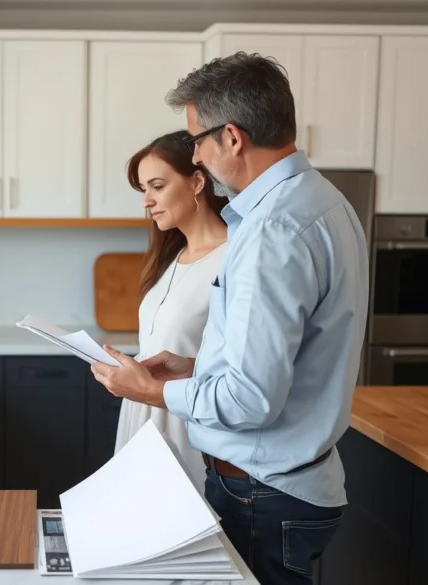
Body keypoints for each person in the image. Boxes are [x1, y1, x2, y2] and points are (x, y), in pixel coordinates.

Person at [90, 51, 369, 585]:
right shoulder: (325, 202)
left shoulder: (271, 231)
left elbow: (249, 399)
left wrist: (153, 392)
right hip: (292, 485)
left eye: (198, 140)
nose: (195, 154)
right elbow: (281, 363)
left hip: (261, 493)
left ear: (232, 138)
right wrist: (195, 366)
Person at [114, 130, 228, 488]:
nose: (147, 201)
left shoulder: (233, 258)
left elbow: (240, 369)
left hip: (188, 432)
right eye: (143, 190)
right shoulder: (172, 257)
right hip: (142, 421)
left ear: (197, 182)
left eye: (157, 186)